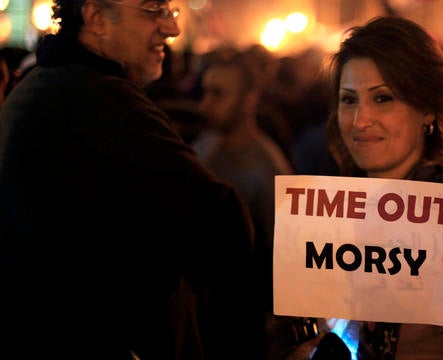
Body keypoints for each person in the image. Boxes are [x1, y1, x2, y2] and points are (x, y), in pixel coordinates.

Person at [269, 16, 443, 359]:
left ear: (428, 110)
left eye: (383, 98)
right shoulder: (322, 216)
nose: (360, 120)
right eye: (348, 100)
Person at [0, 1, 261, 359]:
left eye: (171, 11)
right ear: (95, 18)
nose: (172, 28)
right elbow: (223, 227)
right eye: (153, 9)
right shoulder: (102, 100)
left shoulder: (42, 84)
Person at [191, 46, 295, 358]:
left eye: (218, 94)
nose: (205, 103)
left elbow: (282, 256)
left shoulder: (267, 168)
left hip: (240, 322)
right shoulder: (205, 145)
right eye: (205, 91)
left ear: (248, 99)